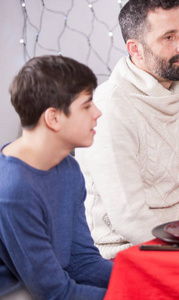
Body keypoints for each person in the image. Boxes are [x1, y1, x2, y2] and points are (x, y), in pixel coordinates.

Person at [75, 0, 179, 259]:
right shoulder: (109, 106)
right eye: (169, 37)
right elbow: (129, 216)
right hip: (125, 251)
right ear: (135, 49)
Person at [0, 55, 112, 299]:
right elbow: (54, 294)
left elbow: (81, 262)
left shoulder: (68, 169)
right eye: (86, 105)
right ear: (53, 118)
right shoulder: (13, 190)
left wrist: (145, 278)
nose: (98, 112)